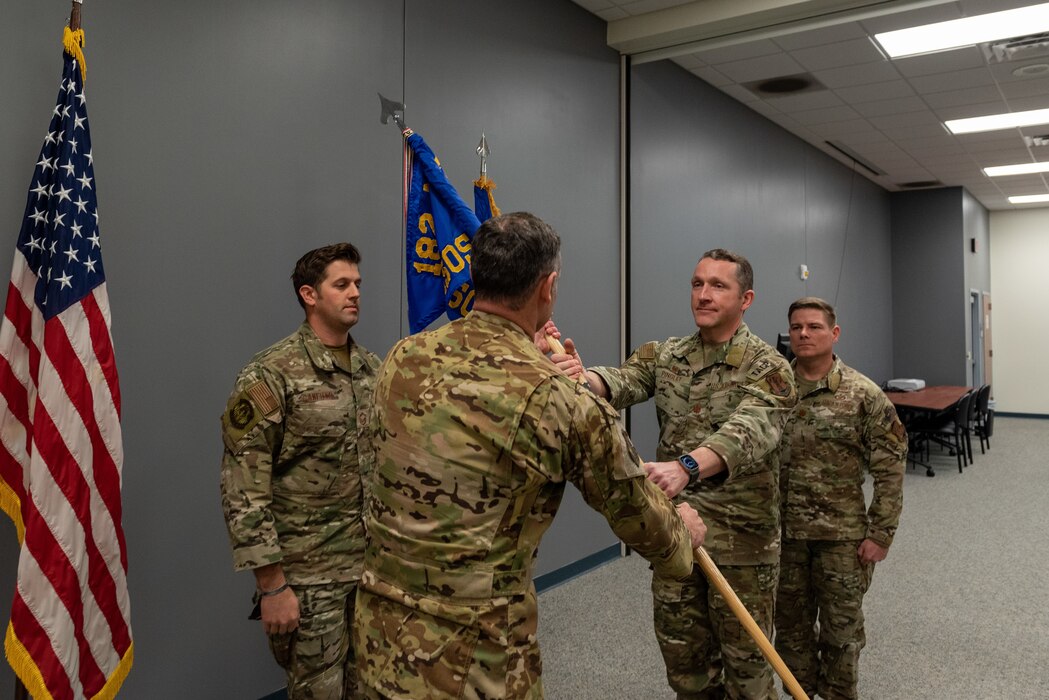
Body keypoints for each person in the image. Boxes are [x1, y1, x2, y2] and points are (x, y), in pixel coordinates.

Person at [352, 212, 706, 699]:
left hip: (379, 634)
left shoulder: (402, 355)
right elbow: (640, 519)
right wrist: (683, 534)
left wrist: (525, 357)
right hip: (472, 657)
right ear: (549, 286)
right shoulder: (560, 398)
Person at [554, 248, 796, 699]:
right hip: (676, 536)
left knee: (748, 673)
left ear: (746, 299)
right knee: (686, 667)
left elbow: (751, 430)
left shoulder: (770, 368)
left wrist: (687, 466)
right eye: (697, 284)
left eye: (717, 286)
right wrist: (582, 377)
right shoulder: (666, 355)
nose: (703, 295)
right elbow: (622, 381)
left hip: (741, 544)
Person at [220, 243, 379, 699]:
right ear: (310, 295)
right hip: (309, 580)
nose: (355, 294)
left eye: (358, 285)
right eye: (342, 284)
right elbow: (242, 486)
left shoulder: (372, 368)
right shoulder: (270, 374)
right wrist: (271, 587)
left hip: (370, 573)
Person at [775, 297, 907, 700]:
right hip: (783, 536)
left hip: (842, 538)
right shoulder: (772, 390)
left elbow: (890, 466)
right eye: (796, 327)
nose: (803, 334)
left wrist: (881, 533)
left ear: (834, 333)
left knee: (842, 633)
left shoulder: (863, 394)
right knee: (790, 631)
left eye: (814, 327)